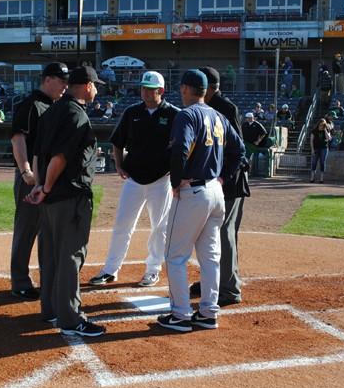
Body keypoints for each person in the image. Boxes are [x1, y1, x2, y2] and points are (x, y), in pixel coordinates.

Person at [156, 69, 244, 333]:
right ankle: (207, 313)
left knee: (175, 256)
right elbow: (239, 151)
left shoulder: (187, 114)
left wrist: (175, 182)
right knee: (211, 258)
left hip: (193, 191)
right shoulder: (217, 115)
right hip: (216, 193)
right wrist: (223, 178)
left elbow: (180, 149)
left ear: (185, 89)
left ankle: (181, 315)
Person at [27, 64, 106, 337]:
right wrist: (46, 187)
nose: (96, 90)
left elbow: (38, 156)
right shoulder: (76, 115)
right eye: (95, 85)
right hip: (69, 196)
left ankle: (49, 309)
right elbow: (59, 158)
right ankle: (71, 319)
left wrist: (39, 186)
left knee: (50, 256)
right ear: (86, 86)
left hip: (49, 200)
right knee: (70, 257)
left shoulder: (51, 112)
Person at [88, 71, 179, 288]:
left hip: (161, 180)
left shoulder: (174, 114)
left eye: (150, 89)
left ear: (161, 91)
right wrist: (119, 165)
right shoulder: (132, 112)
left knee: (160, 227)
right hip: (134, 179)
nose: (145, 92)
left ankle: (153, 270)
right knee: (122, 225)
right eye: (143, 88)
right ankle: (110, 270)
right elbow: (117, 142)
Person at [8, 62, 69, 300]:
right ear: (47, 80)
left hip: (49, 177)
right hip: (30, 177)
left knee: (48, 230)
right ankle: (20, 281)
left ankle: (48, 278)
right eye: (61, 80)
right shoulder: (31, 104)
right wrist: (25, 172)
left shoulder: (54, 106)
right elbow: (18, 140)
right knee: (27, 228)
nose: (65, 85)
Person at [309, 118, 331, 183]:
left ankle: (321, 178)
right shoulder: (314, 131)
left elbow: (329, 138)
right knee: (314, 162)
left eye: (323, 125)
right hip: (316, 148)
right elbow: (311, 140)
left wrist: (325, 130)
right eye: (321, 125)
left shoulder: (326, 130)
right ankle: (312, 177)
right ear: (318, 124)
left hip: (324, 148)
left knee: (322, 162)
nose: (321, 126)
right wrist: (312, 149)